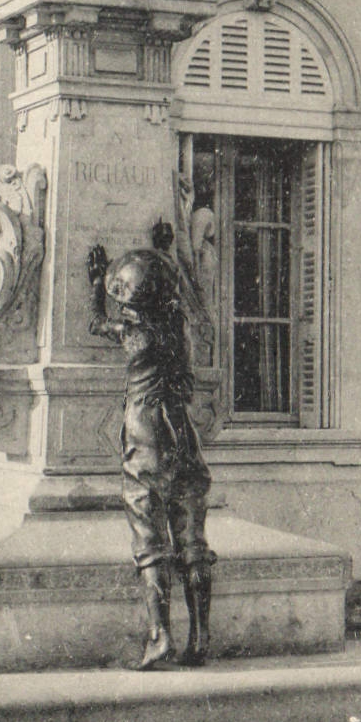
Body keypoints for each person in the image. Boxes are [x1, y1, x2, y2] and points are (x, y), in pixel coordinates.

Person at [87, 232, 215, 668]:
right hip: (180, 426)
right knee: (192, 535)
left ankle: (160, 635)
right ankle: (200, 636)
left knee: (148, 530)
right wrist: (162, 253)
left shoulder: (132, 331)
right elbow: (173, 293)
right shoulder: (178, 324)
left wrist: (94, 286)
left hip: (145, 429)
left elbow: (95, 323)